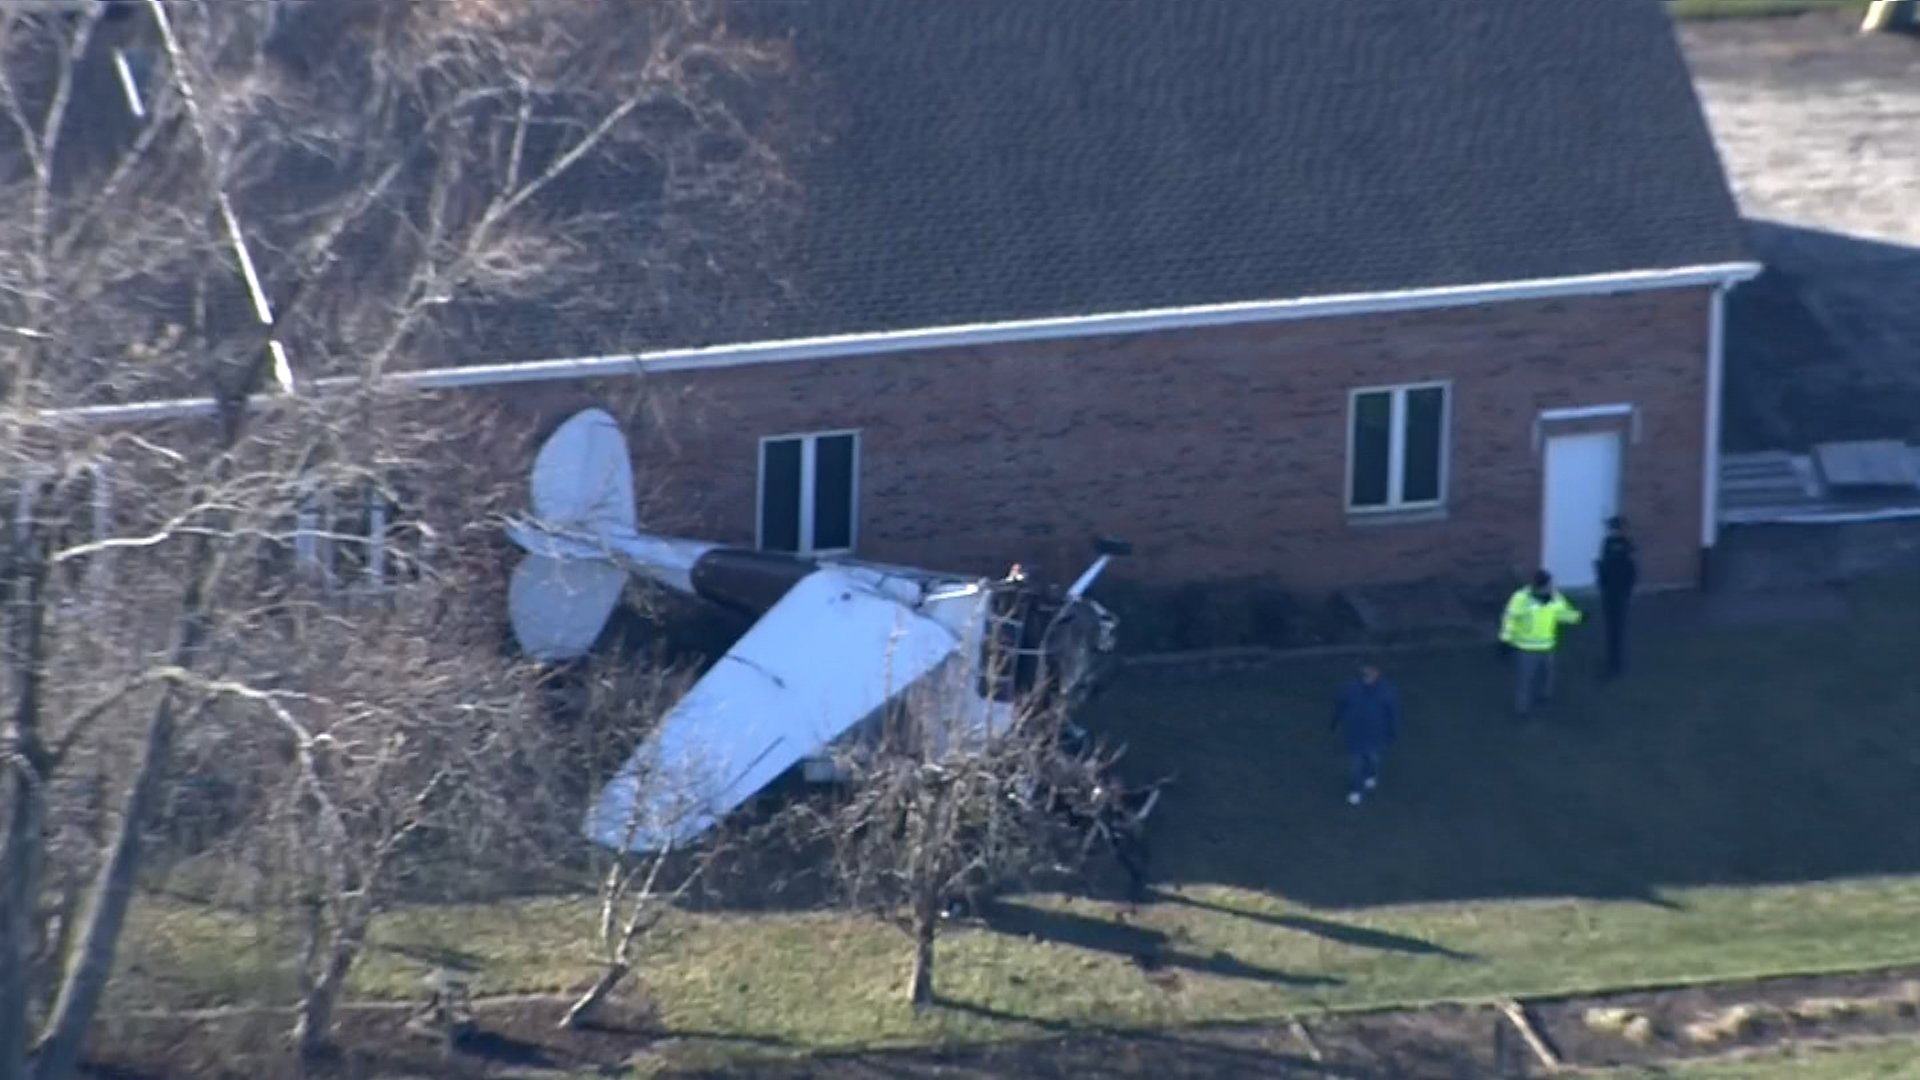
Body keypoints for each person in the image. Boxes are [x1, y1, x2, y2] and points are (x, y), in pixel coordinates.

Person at [1499, 570, 1583, 720]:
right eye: (1550, 585)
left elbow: (1563, 613)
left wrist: (1579, 617)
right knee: (1525, 681)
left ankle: (1543, 697)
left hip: (1547, 647)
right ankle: (1521, 711)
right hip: (1526, 649)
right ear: (1541, 586)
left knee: (1546, 675)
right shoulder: (1521, 598)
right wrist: (1505, 640)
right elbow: (1510, 619)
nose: (1553, 587)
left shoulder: (1555, 598)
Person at [1330, 661, 1400, 805]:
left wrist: (1393, 731)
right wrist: (1335, 721)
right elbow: (1341, 705)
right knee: (1356, 765)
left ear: (1377, 673)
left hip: (1376, 734)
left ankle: (1371, 775)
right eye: (1366, 673)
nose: (1367, 676)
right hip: (1356, 734)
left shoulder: (1387, 691)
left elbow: (1393, 714)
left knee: (1373, 759)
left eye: (1371, 673)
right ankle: (1355, 790)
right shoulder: (1351, 689)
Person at [1594, 516, 1638, 679]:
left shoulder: (1618, 545)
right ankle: (1613, 661)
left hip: (1617, 592)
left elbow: (1629, 570)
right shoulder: (1622, 544)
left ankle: (1615, 662)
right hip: (1613, 592)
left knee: (1615, 628)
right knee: (1614, 628)